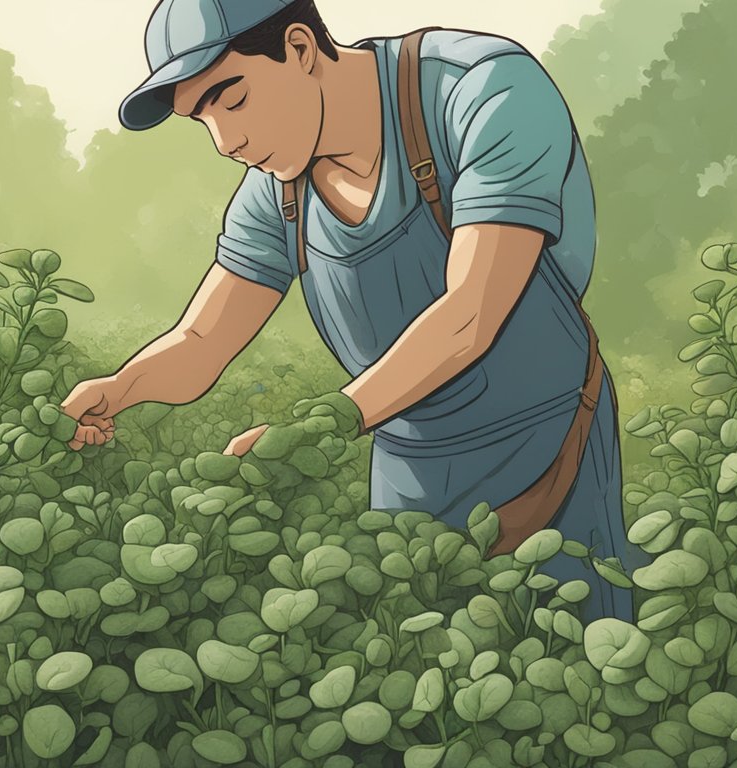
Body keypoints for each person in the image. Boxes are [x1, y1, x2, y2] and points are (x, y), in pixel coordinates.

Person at [59, 0, 641, 624]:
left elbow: (471, 312)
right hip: (406, 467)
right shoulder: (276, 191)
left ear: (302, 48)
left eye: (232, 99)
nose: (226, 142)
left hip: (549, 444)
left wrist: (326, 422)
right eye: (201, 119)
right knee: (424, 681)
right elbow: (203, 337)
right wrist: (121, 388)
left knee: (576, 662)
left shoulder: (480, 90)